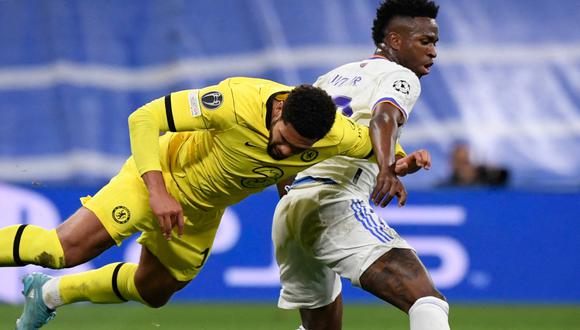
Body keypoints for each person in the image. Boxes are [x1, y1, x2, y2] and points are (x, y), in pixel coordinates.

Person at [0, 77, 399, 329]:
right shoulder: (234, 101)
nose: (282, 152)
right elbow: (143, 118)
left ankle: (49, 294)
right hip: (157, 179)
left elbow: (376, 145)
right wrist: (157, 192)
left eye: (297, 150)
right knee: (62, 249)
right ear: (278, 109)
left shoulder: (336, 134)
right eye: (282, 139)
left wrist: (400, 163)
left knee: (153, 291)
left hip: (200, 214)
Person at [272, 0, 450, 329]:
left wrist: (395, 161)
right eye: (425, 41)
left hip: (290, 207)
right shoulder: (401, 77)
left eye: (435, 42)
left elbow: (292, 143)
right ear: (395, 40)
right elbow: (384, 117)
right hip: (334, 200)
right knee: (426, 300)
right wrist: (385, 168)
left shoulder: (332, 76)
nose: (433, 51)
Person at [440, 143, 509, 187]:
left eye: (466, 162)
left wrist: (490, 172)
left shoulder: (486, 183)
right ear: (453, 164)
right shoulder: (446, 188)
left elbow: (503, 176)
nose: (465, 169)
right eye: (460, 163)